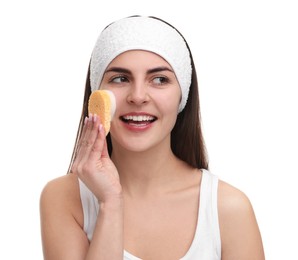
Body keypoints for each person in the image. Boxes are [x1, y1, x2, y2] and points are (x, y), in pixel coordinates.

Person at [40, 15, 265, 260]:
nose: (138, 96)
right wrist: (111, 204)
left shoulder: (229, 209)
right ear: (97, 97)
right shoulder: (63, 199)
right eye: (120, 78)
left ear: (183, 96)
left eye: (160, 79)